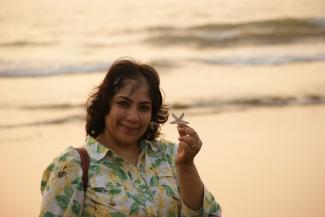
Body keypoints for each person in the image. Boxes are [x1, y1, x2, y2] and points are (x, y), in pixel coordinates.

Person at [39, 58, 221, 217]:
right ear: (105, 104)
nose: (133, 117)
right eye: (123, 104)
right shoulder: (73, 166)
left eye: (143, 107)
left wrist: (186, 166)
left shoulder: (170, 156)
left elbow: (209, 214)